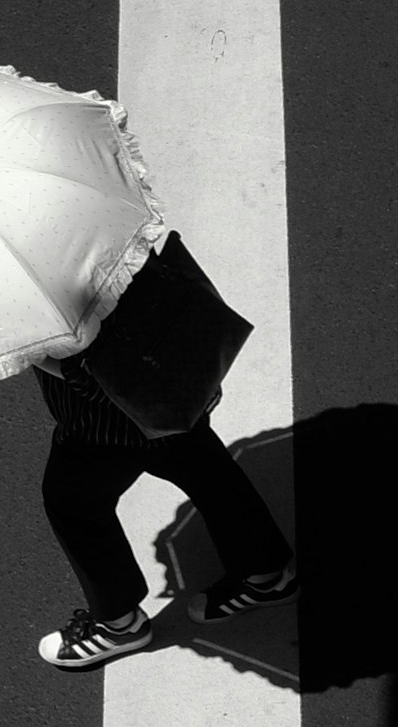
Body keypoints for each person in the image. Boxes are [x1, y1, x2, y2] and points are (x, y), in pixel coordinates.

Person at [32, 236, 299, 671]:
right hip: (170, 379)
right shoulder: (84, 210)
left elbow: (90, 373)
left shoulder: (34, 281)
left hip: (106, 424)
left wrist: (33, 355)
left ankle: (119, 625)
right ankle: (266, 573)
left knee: (73, 503)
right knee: (205, 469)